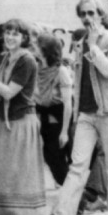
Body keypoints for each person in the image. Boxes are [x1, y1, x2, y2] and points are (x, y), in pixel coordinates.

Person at [50, 0, 108, 215]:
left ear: (100, 14)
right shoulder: (80, 41)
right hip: (86, 113)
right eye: (83, 14)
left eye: (91, 13)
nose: (87, 18)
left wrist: (94, 46)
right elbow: (78, 79)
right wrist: (75, 115)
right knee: (77, 166)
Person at [0, 18, 45, 215]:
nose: (10, 37)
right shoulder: (7, 58)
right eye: (7, 33)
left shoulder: (26, 60)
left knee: (18, 172)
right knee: (2, 171)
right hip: (5, 121)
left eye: (15, 34)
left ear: (24, 38)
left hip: (21, 121)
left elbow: (8, 92)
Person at [34, 32, 74, 187]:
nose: (34, 49)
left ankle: (77, 198)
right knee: (50, 156)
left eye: (38, 46)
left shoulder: (60, 71)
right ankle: (71, 193)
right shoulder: (37, 68)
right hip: (42, 114)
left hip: (58, 114)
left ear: (46, 50)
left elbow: (68, 103)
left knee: (55, 157)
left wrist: (64, 131)